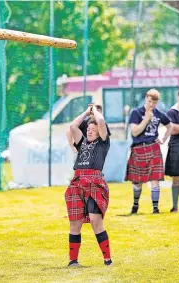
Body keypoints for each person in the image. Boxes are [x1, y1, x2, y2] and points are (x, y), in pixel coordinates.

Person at [64, 104, 112, 266]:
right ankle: (73, 261)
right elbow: (72, 126)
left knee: (95, 220)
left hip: (94, 183)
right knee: (75, 222)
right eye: (88, 128)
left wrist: (95, 111)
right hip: (77, 183)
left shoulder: (103, 143)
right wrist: (86, 111)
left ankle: (107, 260)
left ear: (99, 131)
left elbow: (102, 121)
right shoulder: (82, 142)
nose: (89, 131)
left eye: (93, 128)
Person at [125, 89, 173, 214]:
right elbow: (134, 131)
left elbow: (170, 126)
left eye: (154, 102)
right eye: (150, 101)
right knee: (137, 182)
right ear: (146, 99)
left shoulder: (159, 113)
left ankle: (155, 208)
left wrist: (163, 139)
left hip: (153, 147)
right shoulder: (136, 112)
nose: (152, 104)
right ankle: (135, 205)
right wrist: (146, 119)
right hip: (139, 148)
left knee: (155, 179)